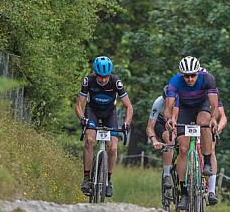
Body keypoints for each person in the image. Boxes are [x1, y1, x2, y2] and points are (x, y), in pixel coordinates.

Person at [164, 56, 218, 210]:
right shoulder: (175, 81)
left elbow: (214, 105)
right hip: (184, 110)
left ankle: (206, 162)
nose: (189, 79)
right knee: (183, 149)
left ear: (198, 73)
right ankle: (184, 193)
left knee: (204, 123)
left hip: (202, 106)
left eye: (193, 75)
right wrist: (169, 120)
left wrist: (213, 119)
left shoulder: (207, 79)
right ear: (182, 75)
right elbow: (169, 107)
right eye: (186, 76)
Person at [75, 56, 133, 197]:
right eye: (100, 77)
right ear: (95, 74)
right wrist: (82, 118)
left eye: (105, 77)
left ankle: (108, 180)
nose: (102, 80)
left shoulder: (116, 82)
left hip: (109, 114)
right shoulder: (88, 80)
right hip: (92, 111)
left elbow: (129, 106)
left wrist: (126, 123)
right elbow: (78, 106)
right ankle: (86, 178)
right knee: (90, 140)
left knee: (113, 147)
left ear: (110, 74)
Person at [146, 86, 175, 190]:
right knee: (170, 139)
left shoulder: (182, 101)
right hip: (161, 124)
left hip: (176, 123)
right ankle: (166, 175)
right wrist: (154, 140)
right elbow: (149, 127)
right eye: (167, 100)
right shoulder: (158, 103)